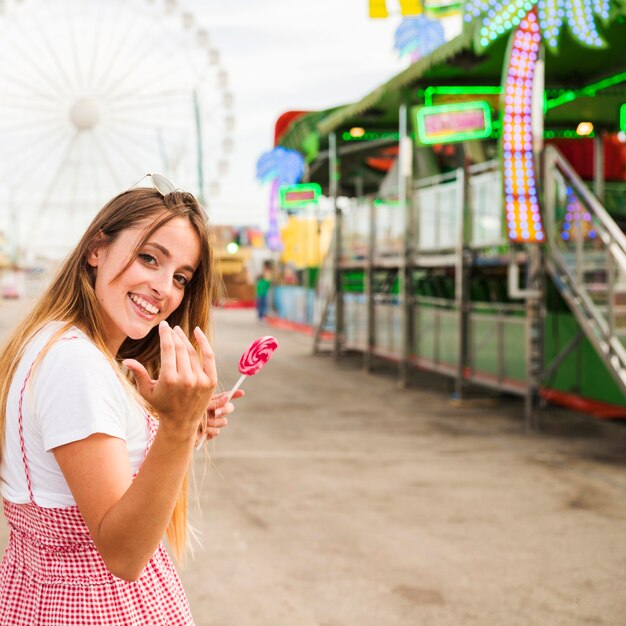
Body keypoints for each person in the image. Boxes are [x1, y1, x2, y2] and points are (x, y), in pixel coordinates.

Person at [0, 174, 243, 624]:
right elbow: (124, 553)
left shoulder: (56, 342)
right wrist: (173, 428)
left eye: (181, 277)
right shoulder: (76, 364)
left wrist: (184, 424)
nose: (164, 288)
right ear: (97, 248)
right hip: (97, 607)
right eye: (149, 258)